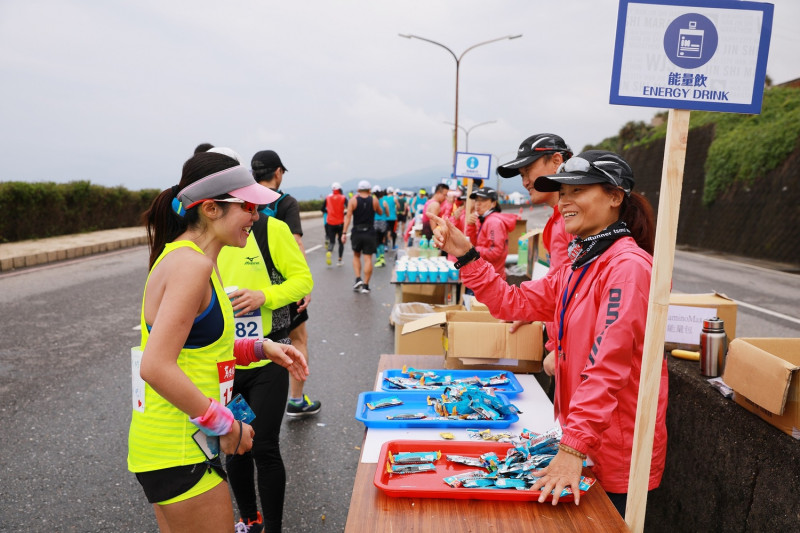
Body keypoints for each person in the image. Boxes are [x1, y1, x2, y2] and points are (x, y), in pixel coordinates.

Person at [430, 150, 666, 515]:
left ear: (615, 196)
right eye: (562, 193)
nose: (565, 202)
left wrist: (572, 448)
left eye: (578, 191)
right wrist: (465, 254)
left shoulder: (627, 268)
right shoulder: (579, 263)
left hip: (616, 452)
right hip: (583, 444)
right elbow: (512, 302)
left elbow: (608, 367)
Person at [128, 152, 308, 533]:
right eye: (247, 206)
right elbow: (156, 365)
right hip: (180, 449)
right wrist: (226, 425)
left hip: (177, 449)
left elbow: (198, 349)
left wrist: (261, 348)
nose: (256, 217)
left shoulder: (188, 259)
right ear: (210, 208)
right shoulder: (190, 266)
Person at [217, 152, 314, 532]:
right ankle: (250, 520)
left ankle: (272, 526)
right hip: (226, 364)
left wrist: (265, 296)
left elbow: (303, 281)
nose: (250, 212)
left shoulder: (270, 231)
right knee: (236, 447)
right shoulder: (206, 242)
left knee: (264, 446)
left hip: (268, 358)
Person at [250, 150, 321, 418]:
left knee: (248, 344)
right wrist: (304, 286)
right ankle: (296, 400)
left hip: (248, 285)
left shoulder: (243, 200)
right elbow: (296, 242)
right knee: (297, 338)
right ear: (278, 172)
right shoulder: (285, 202)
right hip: (281, 287)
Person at [497, 133, 574, 271]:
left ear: (556, 162)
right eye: (522, 175)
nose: (525, 182)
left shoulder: (574, 220)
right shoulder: (559, 217)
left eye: (527, 171)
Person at [464, 186, 517, 280]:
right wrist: (471, 226)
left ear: (493, 203)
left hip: (491, 278)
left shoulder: (493, 222)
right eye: (476, 200)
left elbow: (495, 252)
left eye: (483, 200)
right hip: (486, 274)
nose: (478, 204)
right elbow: (474, 243)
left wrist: (474, 251)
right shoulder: (484, 219)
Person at [342, 180, 382, 293]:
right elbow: (380, 212)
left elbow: (348, 218)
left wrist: (344, 233)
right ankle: (365, 285)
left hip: (357, 232)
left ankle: (358, 278)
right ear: (369, 190)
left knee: (356, 255)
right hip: (370, 231)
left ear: (358, 190)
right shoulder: (374, 200)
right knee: (368, 258)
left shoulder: (353, 201)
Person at [323, 182, 347, 266]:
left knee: (332, 241)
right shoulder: (343, 197)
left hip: (330, 222)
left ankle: (329, 251)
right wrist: (343, 213)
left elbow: (322, 209)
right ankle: (339, 260)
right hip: (340, 222)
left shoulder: (328, 197)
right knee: (341, 242)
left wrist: (329, 212)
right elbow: (348, 208)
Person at [372, 185, 388, 268]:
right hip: (383, 223)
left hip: (374, 222)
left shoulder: (372, 201)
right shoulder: (384, 201)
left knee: (376, 241)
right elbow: (388, 213)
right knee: (382, 240)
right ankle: (382, 257)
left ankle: (378, 258)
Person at [382, 186, 399, 250]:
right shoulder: (394, 198)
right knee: (393, 232)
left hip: (385, 217)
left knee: (386, 232)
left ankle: (385, 246)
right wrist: (395, 209)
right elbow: (398, 206)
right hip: (393, 218)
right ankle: (393, 246)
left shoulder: (384, 198)